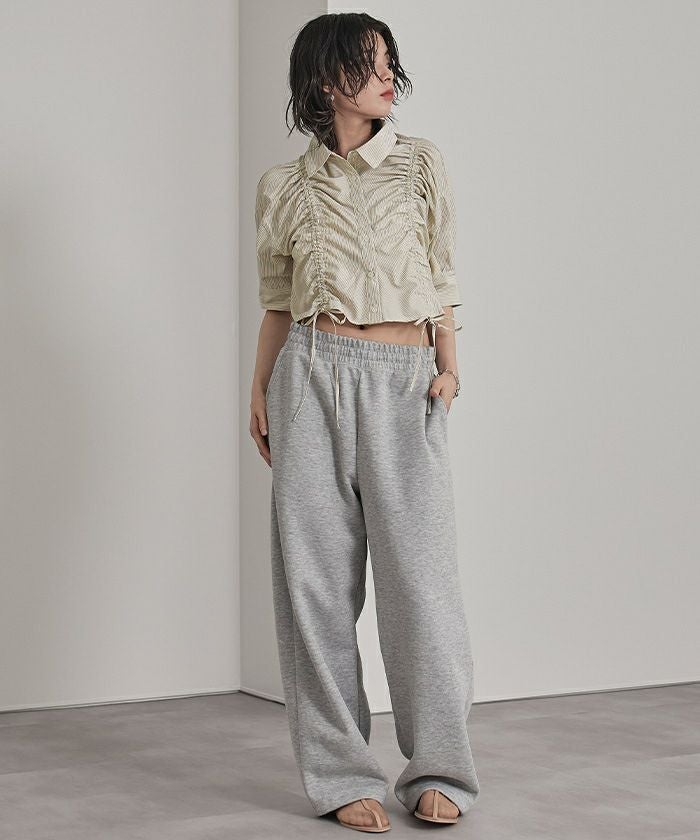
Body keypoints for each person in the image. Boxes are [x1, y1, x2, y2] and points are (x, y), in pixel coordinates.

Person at [250, 12, 480, 833]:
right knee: (313, 590)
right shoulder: (285, 185)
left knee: (423, 586)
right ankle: (341, 772)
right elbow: (278, 301)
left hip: (406, 383)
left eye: (390, 62)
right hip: (309, 377)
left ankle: (440, 766)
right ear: (326, 80)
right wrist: (258, 388)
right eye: (369, 64)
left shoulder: (420, 163)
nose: (388, 77)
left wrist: (448, 365)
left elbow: (442, 275)